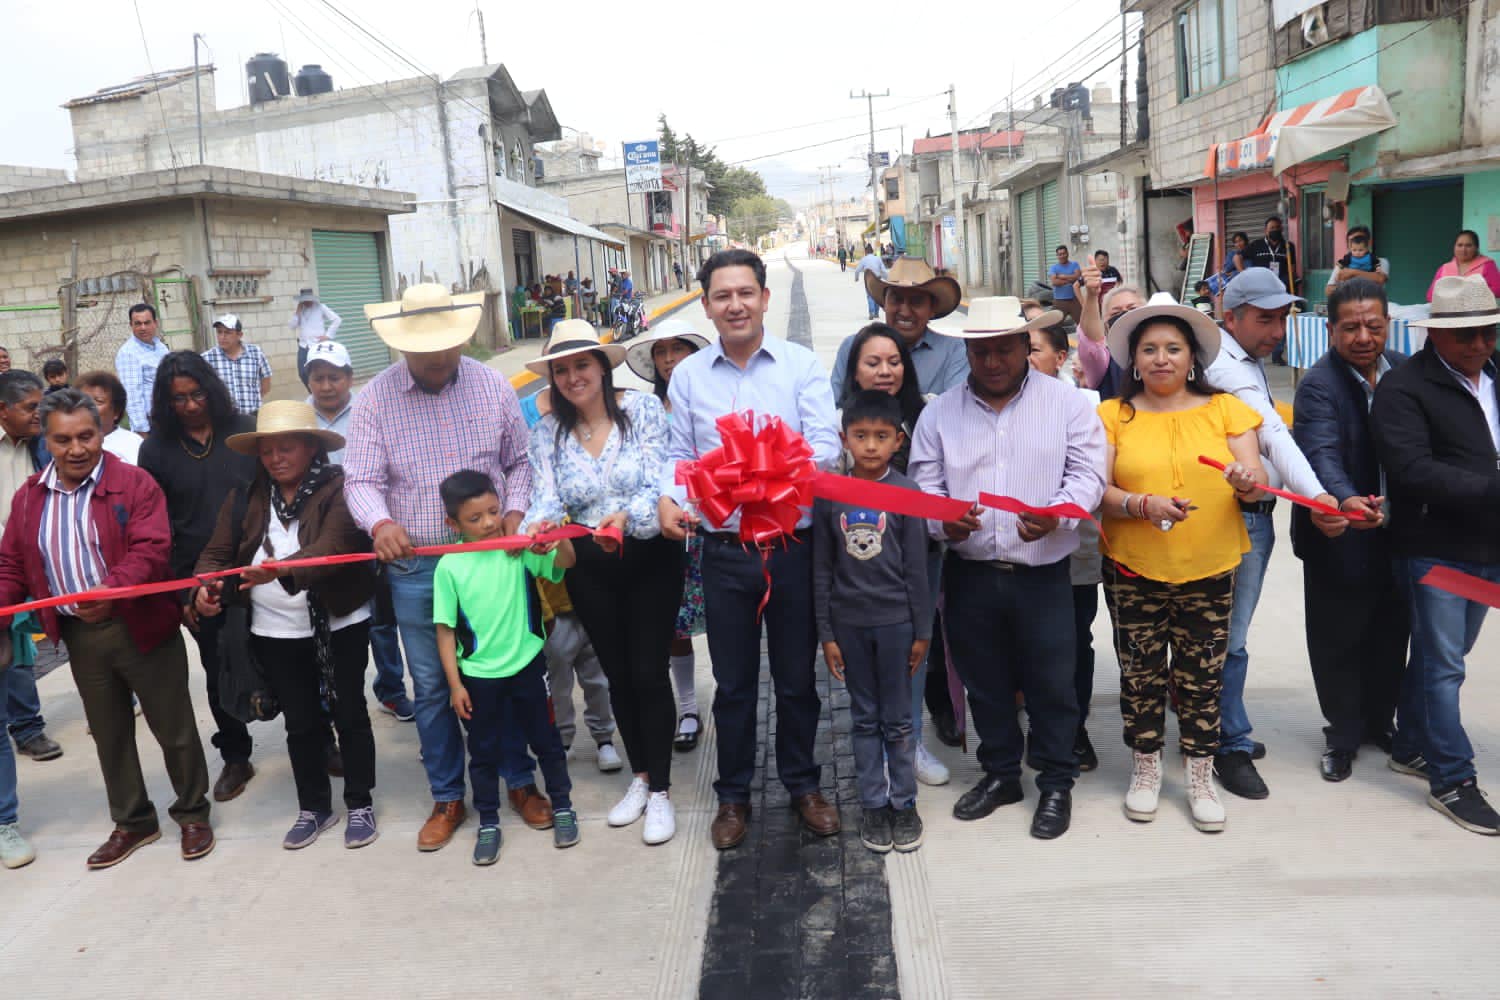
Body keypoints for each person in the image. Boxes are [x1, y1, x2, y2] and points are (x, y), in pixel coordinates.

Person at [344, 283, 540, 852]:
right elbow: (360, 479)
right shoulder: (377, 399)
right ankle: (449, 795)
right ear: (401, 345)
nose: (435, 359)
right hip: (419, 569)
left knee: (503, 674)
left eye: (445, 347)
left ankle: (520, 782)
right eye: (422, 350)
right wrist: (380, 523)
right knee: (431, 687)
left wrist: (516, 512)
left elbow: (519, 461)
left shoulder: (492, 386)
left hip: (492, 561)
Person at [658, 249, 842, 850]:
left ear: (764, 297)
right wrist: (670, 498)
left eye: (745, 292)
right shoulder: (688, 377)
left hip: (791, 544)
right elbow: (677, 459)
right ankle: (732, 797)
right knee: (733, 684)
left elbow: (825, 446)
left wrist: (771, 477)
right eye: (721, 295)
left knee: (796, 680)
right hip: (723, 549)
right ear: (706, 306)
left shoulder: (799, 365)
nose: (734, 304)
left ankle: (803, 785)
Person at [909, 296, 1106, 841]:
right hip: (970, 573)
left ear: (1025, 346)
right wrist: (941, 521)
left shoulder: (1067, 405)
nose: (992, 361)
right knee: (984, 683)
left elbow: (1088, 475)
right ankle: (1001, 775)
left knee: (1052, 684)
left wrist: (1058, 515)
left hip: (1043, 574)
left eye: (1003, 349)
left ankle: (1057, 782)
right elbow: (925, 483)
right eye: (981, 352)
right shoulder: (939, 412)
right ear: (967, 351)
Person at [0, 388, 214, 868]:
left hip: (141, 625)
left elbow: (152, 549)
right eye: (62, 440)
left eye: (86, 436)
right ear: (47, 441)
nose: (76, 449)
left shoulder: (135, 484)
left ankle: (192, 813)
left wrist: (110, 592)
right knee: (109, 732)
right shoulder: (31, 497)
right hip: (79, 637)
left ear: (102, 432)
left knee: (173, 727)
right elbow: (11, 563)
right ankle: (134, 821)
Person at [1095, 295, 1267, 832]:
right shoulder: (1112, 415)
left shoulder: (1226, 409)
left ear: (1192, 356)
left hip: (1210, 565)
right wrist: (1139, 505)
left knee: (1201, 678)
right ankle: (1145, 770)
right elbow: (1099, 488)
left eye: (1173, 348)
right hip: (1132, 564)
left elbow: (1254, 479)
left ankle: (1199, 773)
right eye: (1149, 350)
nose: (1161, 359)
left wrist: (1245, 483)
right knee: (1140, 675)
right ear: (1134, 360)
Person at [524, 320, 684, 845]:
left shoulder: (641, 412)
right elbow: (545, 497)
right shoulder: (546, 431)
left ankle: (660, 790)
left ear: (603, 366)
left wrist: (621, 517)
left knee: (648, 671)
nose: (573, 377)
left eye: (582, 365)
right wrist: (541, 527)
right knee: (616, 672)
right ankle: (639, 777)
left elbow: (662, 479)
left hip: (650, 555)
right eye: (562, 369)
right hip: (589, 565)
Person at [192, 401, 379, 850]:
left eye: (286, 447)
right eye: (267, 450)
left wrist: (279, 570)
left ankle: (360, 803)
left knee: (349, 713)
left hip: (339, 623)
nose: (276, 458)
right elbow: (216, 554)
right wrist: (204, 587)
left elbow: (334, 546)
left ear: (311, 447)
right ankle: (314, 807)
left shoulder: (341, 489)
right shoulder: (245, 498)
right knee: (300, 722)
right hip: (275, 631)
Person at [1205, 268, 1348, 800]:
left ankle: (1223, 726)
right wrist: (1317, 498)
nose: (1278, 330)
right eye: (1265, 319)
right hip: (1236, 520)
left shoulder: (1245, 360)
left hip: (1250, 516)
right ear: (1231, 317)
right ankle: (1229, 746)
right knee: (1229, 639)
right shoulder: (1228, 366)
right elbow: (1273, 436)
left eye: (1283, 318)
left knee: (1223, 637)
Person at [1372, 274, 1500, 835]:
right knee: (1445, 666)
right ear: (1436, 335)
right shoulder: (1403, 389)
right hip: (1435, 550)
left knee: (1438, 657)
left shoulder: (1495, 375)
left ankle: (1408, 744)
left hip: (1487, 545)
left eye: (1487, 334)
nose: (1477, 346)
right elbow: (1411, 471)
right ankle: (1453, 779)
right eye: (1466, 336)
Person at [1291, 278, 1408, 782]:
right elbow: (1321, 453)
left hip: (1397, 533)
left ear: (1387, 325)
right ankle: (1341, 735)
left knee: (1390, 631)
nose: (1364, 336)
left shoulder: (1405, 371)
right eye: (1351, 327)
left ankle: (1381, 723)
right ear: (1330, 331)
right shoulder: (1319, 385)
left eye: (1373, 326)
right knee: (1338, 636)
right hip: (1338, 530)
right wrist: (1344, 498)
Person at [436, 470, 580, 863]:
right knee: (483, 753)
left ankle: (563, 807)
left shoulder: (517, 549)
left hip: (529, 666)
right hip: (478, 677)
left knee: (546, 740)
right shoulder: (448, 567)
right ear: (452, 524)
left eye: (494, 511)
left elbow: (565, 562)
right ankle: (488, 822)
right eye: (475, 518)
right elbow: (445, 631)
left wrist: (556, 536)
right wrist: (455, 685)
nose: (488, 523)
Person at [137, 352, 259, 803]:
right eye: (178, 399)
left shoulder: (244, 429)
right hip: (197, 576)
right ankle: (235, 754)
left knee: (287, 658)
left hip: (257, 568)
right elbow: (156, 525)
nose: (189, 406)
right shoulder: (156, 450)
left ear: (212, 390)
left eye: (197, 395)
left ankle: (318, 739)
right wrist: (183, 592)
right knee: (218, 668)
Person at [815, 390, 932, 854]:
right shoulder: (831, 495)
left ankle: (904, 803)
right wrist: (827, 634)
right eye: (860, 436)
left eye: (880, 437)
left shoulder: (908, 494)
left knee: (900, 720)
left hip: (897, 625)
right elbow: (822, 570)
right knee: (864, 718)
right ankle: (872, 802)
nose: (869, 446)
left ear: (897, 441)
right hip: (849, 625)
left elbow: (918, 570)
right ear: (844, 438)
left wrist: (922, 631)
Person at [834, 322, 949, 786]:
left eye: (894, 361)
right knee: (865, 660)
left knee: (914, 650)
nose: (885, 371)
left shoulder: (932, 414)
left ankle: (912, 741)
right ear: (854, 370)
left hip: (921, 554)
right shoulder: (838, 424)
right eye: (872, 362)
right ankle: (876, 746)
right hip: (859, 565)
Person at [301, 340, 414, 723]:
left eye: (335, 376)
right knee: (325, 614)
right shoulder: (300, 419)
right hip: (321, 535)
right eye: (319, 377)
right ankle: (325, 691)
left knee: (382, 615)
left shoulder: (370, 409)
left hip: (370, 527)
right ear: (309, 380)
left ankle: (391, 690)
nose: (327, 385)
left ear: (349, 377)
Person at [515, 380, 621, 769]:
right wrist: (545, 534)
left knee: (597, 679)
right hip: (556, 616)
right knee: (557, 682)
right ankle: (562, 740)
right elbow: (546, 566)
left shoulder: (585, 508)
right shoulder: (535, 519)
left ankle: (604, 737)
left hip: (591, 603)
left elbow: (579, 558)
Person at [625, 320, 712, 753]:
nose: (669, 359)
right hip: (665, 529)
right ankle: (689, 708)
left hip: (713, 526)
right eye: (661, 352)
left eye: (678, 349)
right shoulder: (645, 411)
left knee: (724, 620)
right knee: (674, 625)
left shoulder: (710, 401)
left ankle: (733, 697)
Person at [1027, 319, 1105, 770]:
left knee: (1075, 641)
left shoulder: (1085, 404)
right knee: (1032, 646)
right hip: (1019, 546)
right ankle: (1040, 727)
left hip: (1073, 550)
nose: (1028, 358)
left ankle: (1074, 729)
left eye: (1036, 350)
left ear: (1061, 358)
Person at [0, 371, 62, 764]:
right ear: (3, 410)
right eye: (30, 408)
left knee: (22, 647)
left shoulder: (39, 445)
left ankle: (27, 728)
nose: (39, 414)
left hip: (25, 563)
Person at [834, 256, 968, 401]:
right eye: (897, 299)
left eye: (916, 301)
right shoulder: (852, 347)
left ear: (932, 309)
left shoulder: (954, 351)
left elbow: (956, 412)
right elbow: (833, 408)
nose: (904, 312)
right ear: (884, 304)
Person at [115, 302, 172, 433]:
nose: (143, 328)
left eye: (147, 323)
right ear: (131, 325)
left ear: (155, 323)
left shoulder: (160, 347)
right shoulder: (129, 353)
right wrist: (142, 431)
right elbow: (132, 395)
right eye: (138, 323)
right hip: (151, 423)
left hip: (169, 415)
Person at [203, 314, 273, 415]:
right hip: (224, 418)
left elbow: (266, 385)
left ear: (239, 335)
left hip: (253, 416)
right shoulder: (207, 358)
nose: (222, 337)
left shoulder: (255, 353)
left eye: (227, 333)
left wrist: (252, 401)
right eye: (219, 332)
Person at [75, 371, 141, 465]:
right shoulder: (68, 443)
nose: (87, 407)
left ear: (116, 411)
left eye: (98, 401)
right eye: (81, 401)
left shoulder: (133, 443)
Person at [1427, 229, 1500, 301]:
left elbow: (1498, 289)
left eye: (1468, 245)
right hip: (1449, 311)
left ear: (1476, 248)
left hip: (1477, 311)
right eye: (1459, 245)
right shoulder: (1444, 268)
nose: (1463, 249)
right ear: (1454, 247)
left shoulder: (1487, 265)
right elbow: (1430, 295)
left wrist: (1472, 295)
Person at [288, 289, 341, 387]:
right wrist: (297, 312)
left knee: (319, 372)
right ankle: (313, 393)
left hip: (317, 346)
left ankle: (318, 395)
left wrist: (328, 335)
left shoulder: (321, 307)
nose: (306, 302)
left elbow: (337, 320)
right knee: (302, 373)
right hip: (303, 345)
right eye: (304, 300)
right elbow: (292, 326)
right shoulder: (300, 310)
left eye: (308, 300)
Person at [1325, 226, 1389, 295]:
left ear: (1368, 243)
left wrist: (1353, 272)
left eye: (1359, 240)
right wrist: (1345, 287)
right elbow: (1328, 290)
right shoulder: (1344, 263)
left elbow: (1380, 279)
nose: (1356, 244)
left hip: (1372, 302)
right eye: (1352, 241)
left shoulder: (1381, 261)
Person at [1246, 216, 1299, 296]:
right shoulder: (1256, 244)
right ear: (1266, 231)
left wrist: (1287, 280)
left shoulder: (1288, 246)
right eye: (1272, 228)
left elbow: (1292, 267)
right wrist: (1244, 274)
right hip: (1261, 286)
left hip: (1281, 286)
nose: (1275, 230)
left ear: (1281, 229)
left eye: (1277, 227)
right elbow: (1237, 257)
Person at [1048, 246, 1084, 327]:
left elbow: (1078, 276)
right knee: (1054, 327)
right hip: (1059, 302)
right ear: (1057, 256)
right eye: (1060, 254)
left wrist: (1062, 276)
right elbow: (1054, 282)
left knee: (1083, 324)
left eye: (1064, 253)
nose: (1062, 256)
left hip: (1074, 300)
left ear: (1067, 253)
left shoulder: (1074, 264)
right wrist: (1071, 280)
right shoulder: (1054, 267)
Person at [853, 244, 888, 320]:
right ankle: (876, 313)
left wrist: (856, 278)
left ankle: (871, 313)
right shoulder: (878, 259)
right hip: (878, 279)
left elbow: (857, 270)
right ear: (872, 251)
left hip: (869, 280)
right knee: (877, 296)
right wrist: (887, 279)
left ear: (866, 251)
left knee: (870, 296)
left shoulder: (864, 259)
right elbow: (884, 271)